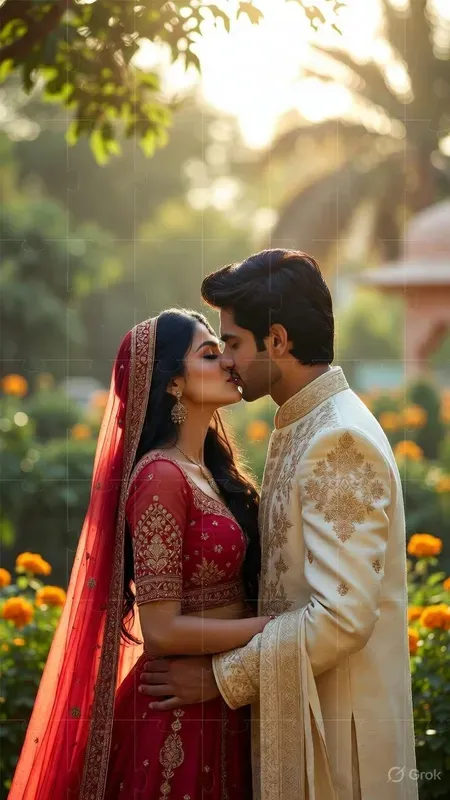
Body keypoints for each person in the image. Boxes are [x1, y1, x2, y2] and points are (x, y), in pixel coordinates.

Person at [138, 250, 418, 800]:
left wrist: (218, 680)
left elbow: (341, 619)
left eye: (235, 344)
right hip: (302, 716)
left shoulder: (338, 438)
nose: (228, 362)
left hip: (340, 739)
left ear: (279, 341)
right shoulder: (303, 424)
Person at [9, 308, 273, 800]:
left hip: (220, 698)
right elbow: (161, 629)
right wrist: (274, 628)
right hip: (177, 719)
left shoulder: (208, 471)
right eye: (210, 355)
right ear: (173, 384)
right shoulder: (160, 478)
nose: (229, 364)